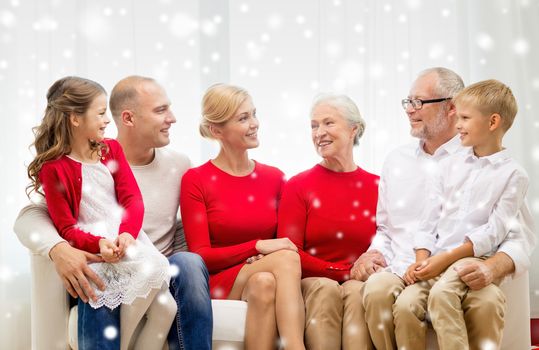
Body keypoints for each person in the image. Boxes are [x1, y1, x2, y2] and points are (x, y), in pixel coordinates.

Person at [14, 75, 213, 350]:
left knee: (178, 282)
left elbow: (136, 201)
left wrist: (127, 236)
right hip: (98, 256)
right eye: (160, 110)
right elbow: (39, 219)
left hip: (142, 252)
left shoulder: (174, 164)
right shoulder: (59, 167)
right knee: (97, 282)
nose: (173, 118)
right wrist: (63, 248)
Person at [357, 67, 536, 349]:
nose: (409, 110)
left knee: (481, 301)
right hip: (405, 264)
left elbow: (519, 236)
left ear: (451, 107)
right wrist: (374, 252)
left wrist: (490, 268)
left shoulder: (485, 161)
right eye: (408, 102)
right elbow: (385, 227)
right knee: (377, 292)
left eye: (418, 102)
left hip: (462, 266)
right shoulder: (396, 160)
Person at [180, 83, 305, 350]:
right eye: (243, 118)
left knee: (264, 282)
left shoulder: (274, 178)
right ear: (217, 131)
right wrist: (257, 246)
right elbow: (200, 255)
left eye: (254, 114)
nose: (255, 124)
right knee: (285, 258)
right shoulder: (196, 180)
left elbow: (286, 243)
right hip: (218, 280)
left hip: (262, 272)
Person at [277, 94, 378, 350]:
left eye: (328, 123)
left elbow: (390, 241)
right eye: (314, 125)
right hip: (314, 281)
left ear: (353, 129)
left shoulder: (378, 186)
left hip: (357, 281)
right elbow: (289, 251)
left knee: (357, 292)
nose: (319, 132)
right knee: (326, 289)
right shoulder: (299, 186)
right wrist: (342, 271)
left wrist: (367, 268)